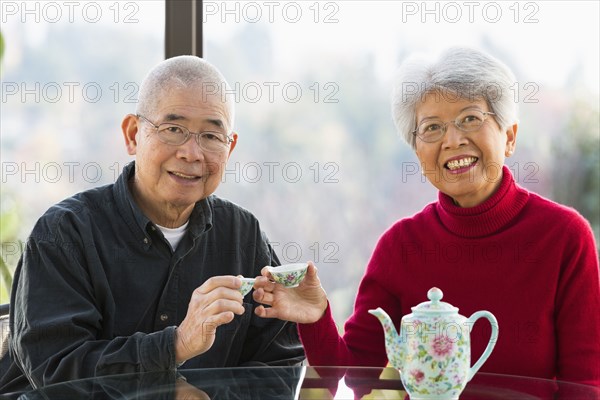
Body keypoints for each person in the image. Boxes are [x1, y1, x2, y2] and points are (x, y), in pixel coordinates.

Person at [253, 47, 600, 387]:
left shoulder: (564, 237)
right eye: (432, 128)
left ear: (509, 137)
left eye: (470, 118)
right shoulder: (400, 246)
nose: (452, 140)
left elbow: (586, 383)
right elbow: (360, 375)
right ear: (417, 151)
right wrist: (316, 318)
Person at [0, 56, 304, 394]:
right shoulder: (64, 233)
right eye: (173, 129)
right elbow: (57, 372)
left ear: (229, 148)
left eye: (211, 136)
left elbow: (280, 363)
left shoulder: (242, 234)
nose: (192, 153)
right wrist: (175, 348)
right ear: (133, 134)